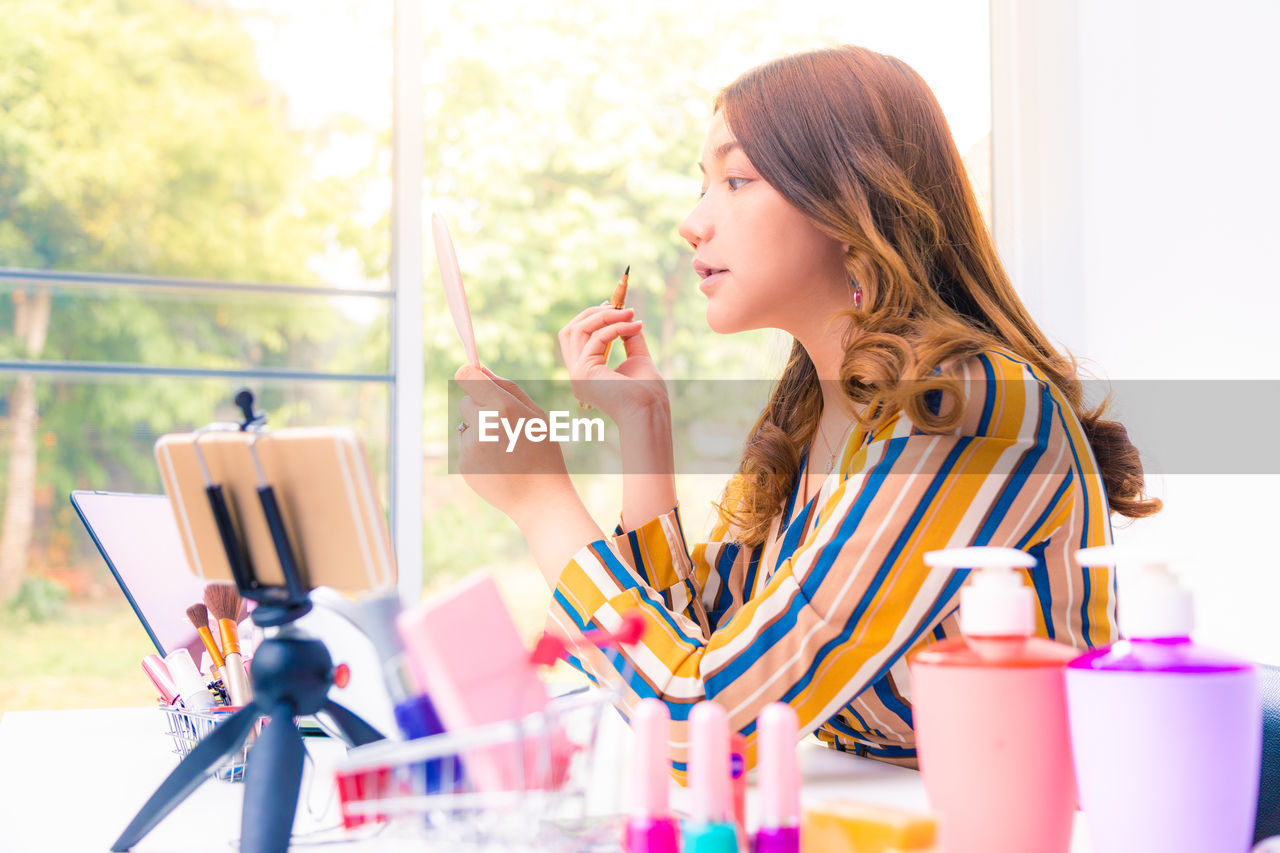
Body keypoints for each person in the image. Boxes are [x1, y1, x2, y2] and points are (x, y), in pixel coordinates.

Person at [452, 45, 1160, 776]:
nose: (692, 224)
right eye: (704, 184)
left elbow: (703, 728)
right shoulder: (816, 412)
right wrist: (643, 428)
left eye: (735, 179)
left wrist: (541, 501)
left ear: (847, 204)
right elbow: (702, 644)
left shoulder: (968, 407)